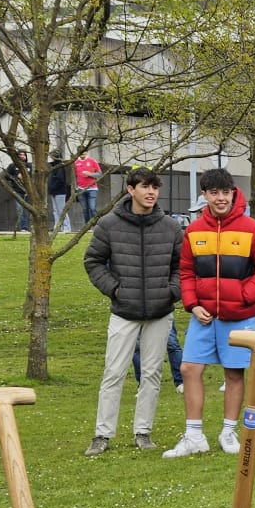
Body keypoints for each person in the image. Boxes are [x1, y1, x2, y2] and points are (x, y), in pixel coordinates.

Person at [165, 167, 255, 458]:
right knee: (189, 369)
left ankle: (228, 431)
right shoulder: (193, 230)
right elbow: (186, 272)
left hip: (239, 317)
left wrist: (244, 297)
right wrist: (193, 304)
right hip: (203, 317)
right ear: (204, 195)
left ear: (232, 192)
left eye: (225, 192)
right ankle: (193, 435)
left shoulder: (252, 229)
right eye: (214, 192)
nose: (220, 198)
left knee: (233, 373)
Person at [85, 169, 183, 455]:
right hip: (124, 311)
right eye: (145, 187)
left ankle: (143, 431)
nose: (151, 192)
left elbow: (181, 266)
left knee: (152, 373)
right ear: (131, 190)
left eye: (155, 187)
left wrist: (171, 291)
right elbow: (93, 260)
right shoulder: (109, 225)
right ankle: (102, 435)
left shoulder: (170, 227)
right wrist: (115, 289)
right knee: (113, 372)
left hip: (160, 311)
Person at [74, 152, 103, 228]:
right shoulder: (75, 163)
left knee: (92, 208)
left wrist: (90, 174)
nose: (83, 155)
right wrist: (75, 187)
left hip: (92, 188)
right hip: (81, 188)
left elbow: (100, 173)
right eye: (81, 154)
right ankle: (87, 226)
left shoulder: (92, 161)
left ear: (86, 152)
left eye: (84, 154)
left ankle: (97, 225)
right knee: (84, 209)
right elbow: (74, 176)